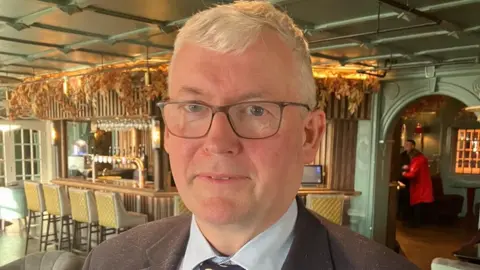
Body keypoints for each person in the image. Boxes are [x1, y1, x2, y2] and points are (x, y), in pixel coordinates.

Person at [82, 2, 419, 269]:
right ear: (168, 133)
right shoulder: (109, 261)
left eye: (256, 110)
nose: (217, 143)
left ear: (309, 135)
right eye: (194, 108)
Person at [402, 140, 435, 227]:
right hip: (422, 185)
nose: (405, 146)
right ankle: (416, 222)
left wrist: (404, 173)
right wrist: (408, 167)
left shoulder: (417, 159)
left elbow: (413, 173)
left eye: (407, 145)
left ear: (413, 146)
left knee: (417, 204)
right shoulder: (421, 158)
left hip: (419, 186)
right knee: (418, 204)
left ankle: (415, 223)